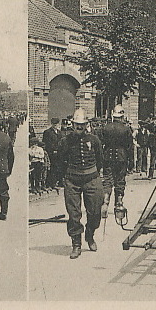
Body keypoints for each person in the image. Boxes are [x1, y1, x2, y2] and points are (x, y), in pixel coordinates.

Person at [59, 108, 103, 259]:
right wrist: (65, 177)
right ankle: (76, 244)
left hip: (91, 178)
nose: (79, 127)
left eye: (82, 124)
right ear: (72, 124)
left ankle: (90, 234)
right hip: (72, 180)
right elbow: (60, 161)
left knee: (95, 211)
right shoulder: (66, 141)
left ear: (86, 125)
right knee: (74, 213)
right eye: (77, 124)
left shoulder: (94, 140)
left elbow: (100, 159)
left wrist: (94, 174)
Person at [98, 105, 133, 218]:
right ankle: (119, 203)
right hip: (122, 157)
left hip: (108, 156)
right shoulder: (126, 129)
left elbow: (101, 142)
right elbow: (129, 145)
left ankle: (106, 200)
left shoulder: (106, 127)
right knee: (120, 180)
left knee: (108, 179)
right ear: (122, 116)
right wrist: (131, 160)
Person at [42, 118, 63, 189]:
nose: (55, 125)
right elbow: (46, 143)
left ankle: (56, 182)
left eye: (56, 124)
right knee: (51, 168)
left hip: (59, 153)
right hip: (51, 153)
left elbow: (61, 142)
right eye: (54, 124)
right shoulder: (47, 132)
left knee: (57, 168)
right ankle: (50, 184)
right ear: (52, 124)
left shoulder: (60, 132)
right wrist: (52, 150)